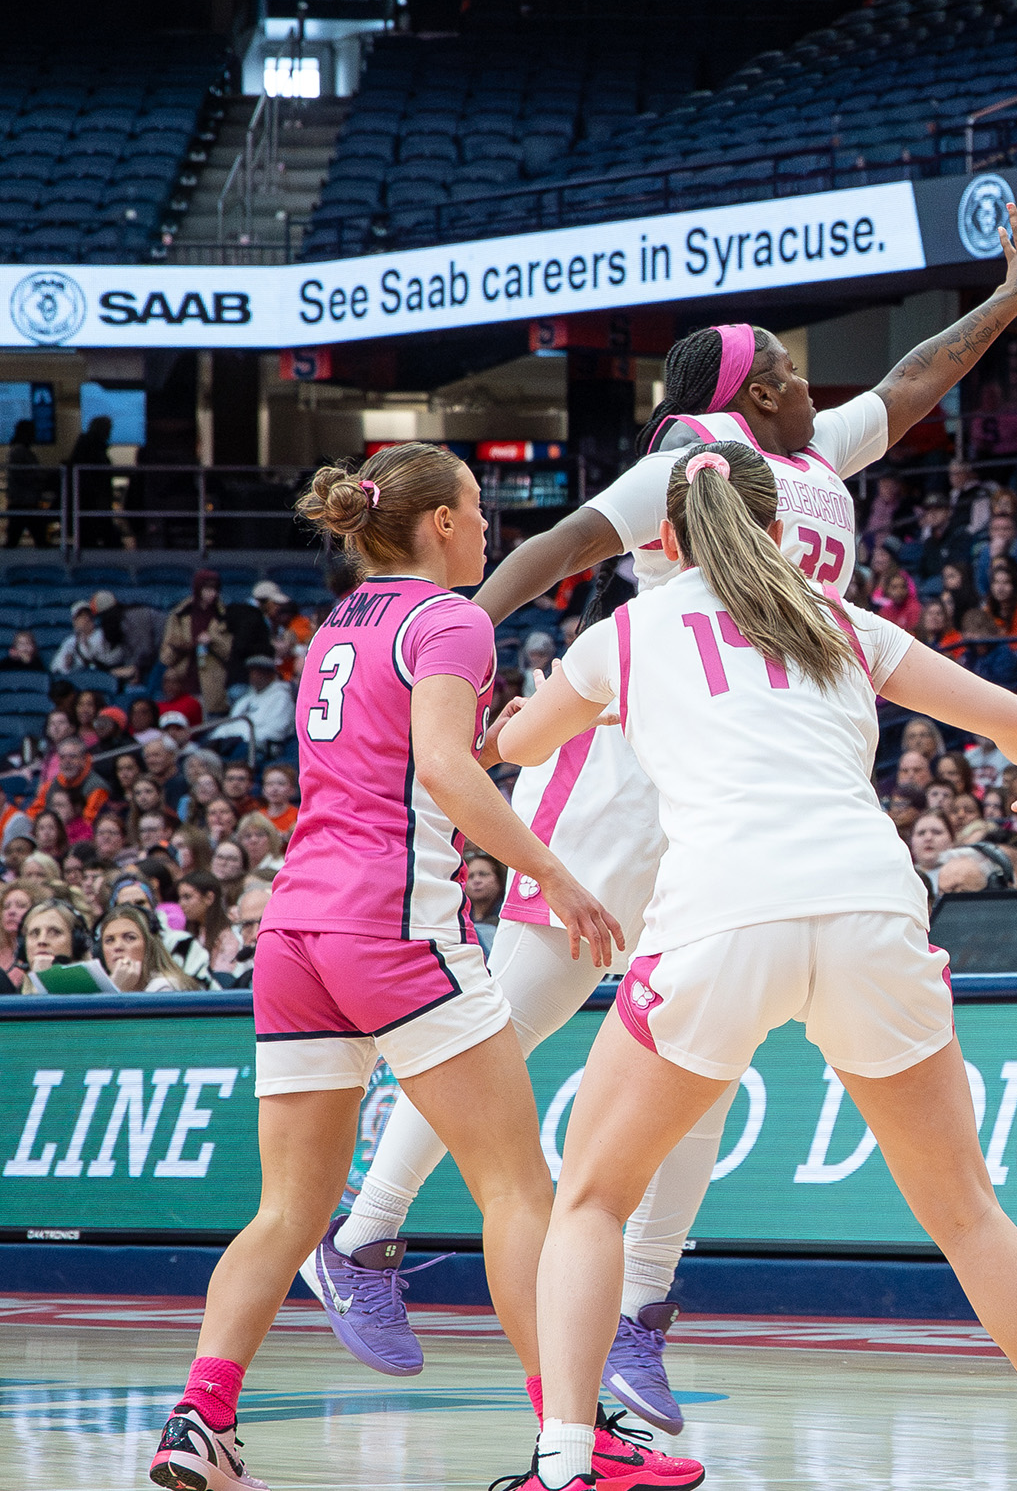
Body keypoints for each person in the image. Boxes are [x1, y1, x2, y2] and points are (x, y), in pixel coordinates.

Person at [311, 195, 1017, 1417]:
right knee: (514, 1017)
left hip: (732, 792)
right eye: (782, 365)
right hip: (621, 763)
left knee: (703, 1071)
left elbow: (919, 375)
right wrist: (451, 630)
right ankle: (364, 1234)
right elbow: (558, 550)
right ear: (740, 397)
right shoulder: (686, 468)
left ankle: (638, 1314)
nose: (806, 375)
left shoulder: (812, 455)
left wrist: (1014, 295)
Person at [491, 436, 1017, 1491]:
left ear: (662, 536)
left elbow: (516, 750)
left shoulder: (627, 629)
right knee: (966, 1212)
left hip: (719, 921)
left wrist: (521, 715)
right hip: (868, 913)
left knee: (592, 1201)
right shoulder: (836, 616)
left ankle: (564, 1461)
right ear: (778, 528)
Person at [143, 447, 644, 1491]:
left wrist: (498, 746)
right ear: (444, 525)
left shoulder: (341, 624)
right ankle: (573, 1437)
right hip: (392, 922)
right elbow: (444, 771)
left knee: (287, 1210)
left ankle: (200, 1418)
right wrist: (558, 875)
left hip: (293, 929)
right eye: (478, 506)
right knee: (517, 1190)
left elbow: (419, 755)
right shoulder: (450, 620)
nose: (488, 525)